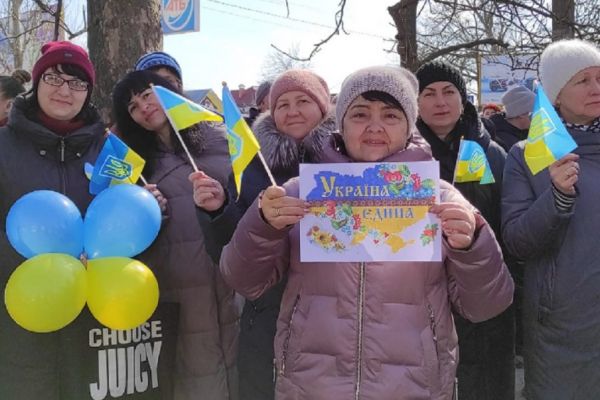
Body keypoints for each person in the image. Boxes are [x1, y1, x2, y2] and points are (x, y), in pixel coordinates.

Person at [218, 65, 513, 399]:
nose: (375, 127)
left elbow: (486, 305)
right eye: (360, 114)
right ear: (341, 124)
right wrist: (262, 226)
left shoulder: (440, 198)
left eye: (390, 115)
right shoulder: (300, 194)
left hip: (414, 385)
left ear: (408, 126)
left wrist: (472, 246)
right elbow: (243, 281)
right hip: (311, 383)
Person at [191, 69, 335, 400]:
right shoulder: (252, 167)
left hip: (335, 316)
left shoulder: (350, 162)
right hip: (269, 316)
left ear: (322, 107)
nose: (292, 111)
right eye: (282, 104)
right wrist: (218, 210)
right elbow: (229, 254)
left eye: (303, 101)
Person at [112, 70, 239, 400]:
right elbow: (124, 234)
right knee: (195, 371)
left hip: (232, 275)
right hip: (178, 283)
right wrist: (147, 210)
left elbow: (251, 202)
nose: (143, 107)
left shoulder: (223, 140)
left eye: (147, 94)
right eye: (132, 107)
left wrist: (223, 203)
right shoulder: (135, 166)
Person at [0, 41, 106, 399]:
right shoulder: (3, 145)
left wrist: (156, 206)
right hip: (18, 317)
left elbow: (126, 223)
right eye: (54, 78)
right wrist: (42, 262)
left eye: (77, 83)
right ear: (36, 82)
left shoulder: (109, 150)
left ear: (88, 92)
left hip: (93, 319)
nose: (64, 90)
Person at [502, 39, 600, 400]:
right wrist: (556, 196)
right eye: (583, 80)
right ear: (556, 95)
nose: (596, 88)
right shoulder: (529, 154)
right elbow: (517, 241)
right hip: (562, 324)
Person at [415, 60, 514, 400]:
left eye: (449, 92)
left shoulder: (491, 154)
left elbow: (507, 225)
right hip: (423, 295)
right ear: (416, 102)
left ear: (463, 99)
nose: (440, 102)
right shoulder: (401, 160)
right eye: (429, 93)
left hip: (482, 291)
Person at [490, 85, 536, 152]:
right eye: (535, 112)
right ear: (522, 114)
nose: (538, 115)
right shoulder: (503, 143)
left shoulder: (525, 133)